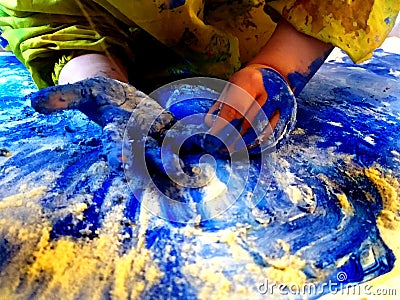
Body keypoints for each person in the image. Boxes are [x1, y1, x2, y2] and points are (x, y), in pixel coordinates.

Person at [0, 1, 399, 152]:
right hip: (119, 27)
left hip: (258, 20)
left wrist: (280, 64)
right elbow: (47, 14)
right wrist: (95, 72)